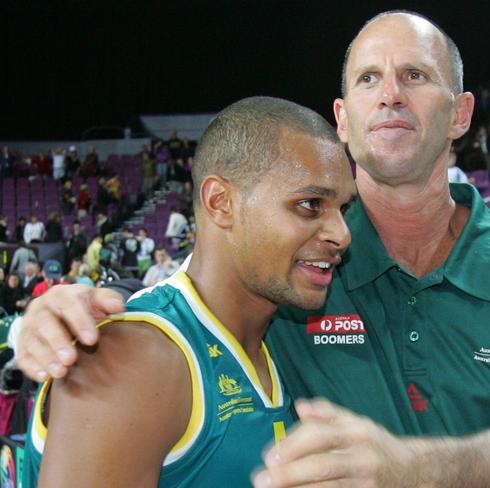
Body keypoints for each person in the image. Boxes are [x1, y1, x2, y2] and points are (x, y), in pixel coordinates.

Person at [14, 11, 490, 487]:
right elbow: (172, 320)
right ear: (343, 118)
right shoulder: (294, 269)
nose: (391, 96)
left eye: (416, 75)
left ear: (461, 114)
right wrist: (44, 324)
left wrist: (408, 471)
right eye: (368, 78)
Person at [20, 97, 356, 487]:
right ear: (220, 202)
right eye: (310, 204)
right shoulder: (136, 360)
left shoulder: (273, 342)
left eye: (343, 209)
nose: (342, 234)